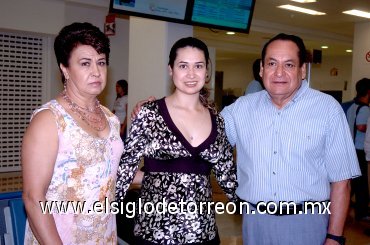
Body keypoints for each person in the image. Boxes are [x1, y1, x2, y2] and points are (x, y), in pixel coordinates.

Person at [221, 33, 361, 245]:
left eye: (289, 64)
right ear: (261, 69)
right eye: (271, 63)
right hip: (255, 223)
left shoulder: (327, 109)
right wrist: (157, 112)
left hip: (309, 223)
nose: (279, 72)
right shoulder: (241, 109)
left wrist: (334, 237)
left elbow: (342, 181)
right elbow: (202, 135)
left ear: (302, 70)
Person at [116, 37, 238, 244]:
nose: (191, 74)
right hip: (154, 233)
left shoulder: (217, 120)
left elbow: (228, 179)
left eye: (198, 66)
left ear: (206, 71)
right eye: (183, 66)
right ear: (171, 70)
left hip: (203, 233)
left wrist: (263, 208)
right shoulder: (149, 114)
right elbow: (124, 172)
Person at [21, 22, 124, 244]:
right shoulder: (49, 120)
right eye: (85, 63)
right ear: (65, 69)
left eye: (101, 62)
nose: (96, 71)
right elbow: (33, 197)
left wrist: (166, 174)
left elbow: (108, 172)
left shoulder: (111, 119)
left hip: (103, 236)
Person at [342, 78, 370, 221]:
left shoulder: (352, 107)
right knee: (361, 185)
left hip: (351, 150)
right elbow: (361, 126)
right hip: (359, 151)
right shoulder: (365, 108)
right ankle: (362, 212)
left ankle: (343, 209)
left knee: (352, 184)